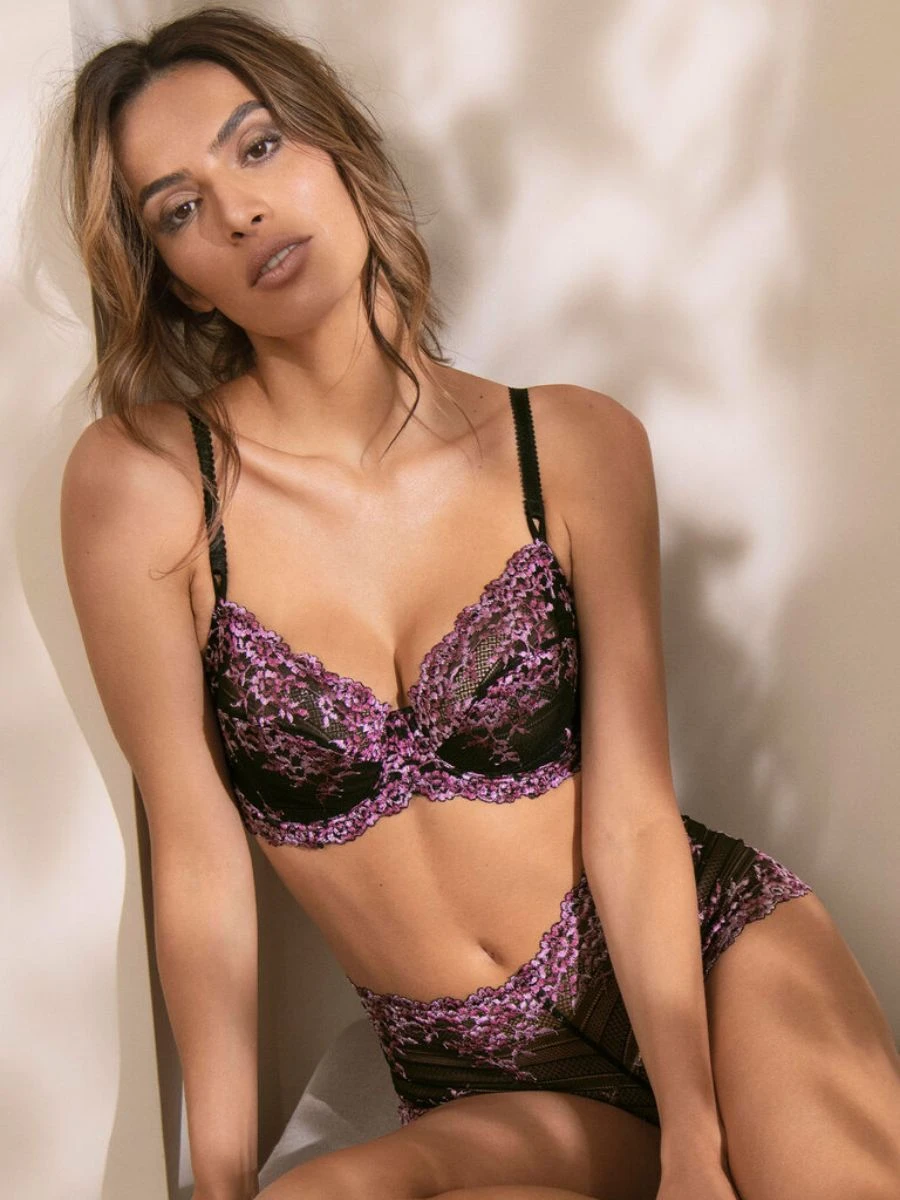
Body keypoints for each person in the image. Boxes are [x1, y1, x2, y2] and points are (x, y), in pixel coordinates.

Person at [59, 7, 900, 1200]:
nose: (237, 210)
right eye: (178, 208)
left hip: (713, 969)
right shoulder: (146, 487)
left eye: (258, 146)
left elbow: (632, 810)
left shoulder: (573, 446)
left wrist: (697, 1141)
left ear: (341, 152)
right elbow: (197, 862)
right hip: (481, 1082)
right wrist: (223, 1180)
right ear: (176, 282)